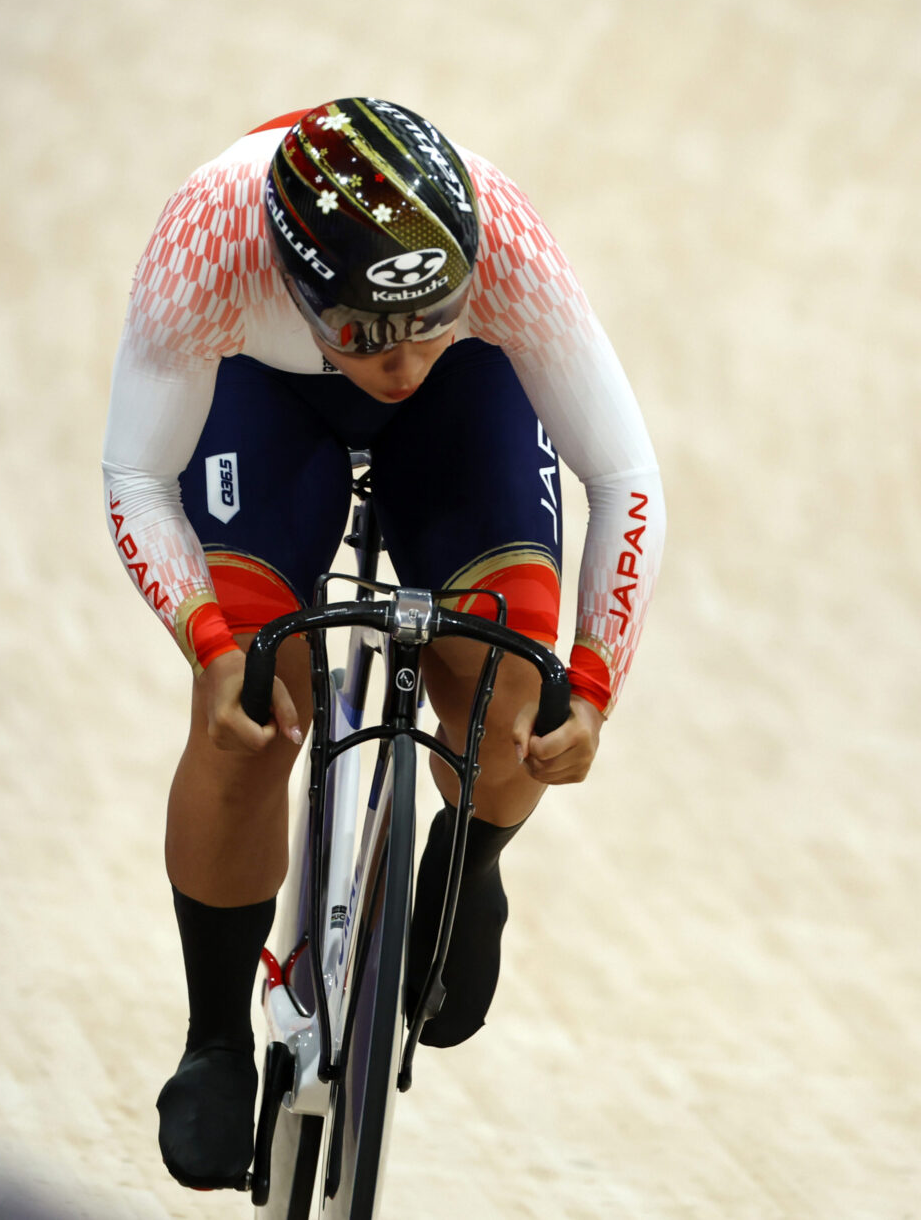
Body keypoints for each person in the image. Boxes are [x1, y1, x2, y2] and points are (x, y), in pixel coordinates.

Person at [101, 97, 666, 1189]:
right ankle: (215, 1030)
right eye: (364, 331)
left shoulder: (500, 236)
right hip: (266, 398)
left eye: (428, 317)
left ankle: (471, 857)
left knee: (514, 687)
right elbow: (135, 475)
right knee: (251, 716)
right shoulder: (209, 235)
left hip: (473, 401)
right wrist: (211, 640)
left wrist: (592, 681)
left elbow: (624, 477)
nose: (400, 360)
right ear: (298, 287)